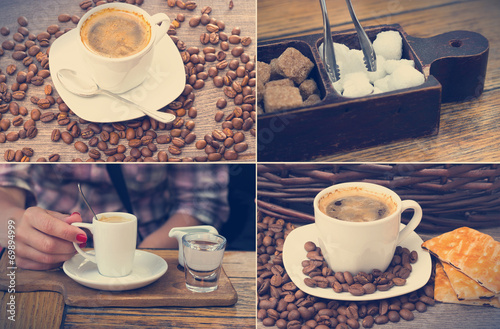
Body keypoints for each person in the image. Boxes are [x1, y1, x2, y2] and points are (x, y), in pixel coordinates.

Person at [0, 164, 229, 271]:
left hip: (150, 244)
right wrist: (12, 222)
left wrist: (137, 259)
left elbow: (202, 202)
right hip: (48, 254)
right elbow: (6, 184)